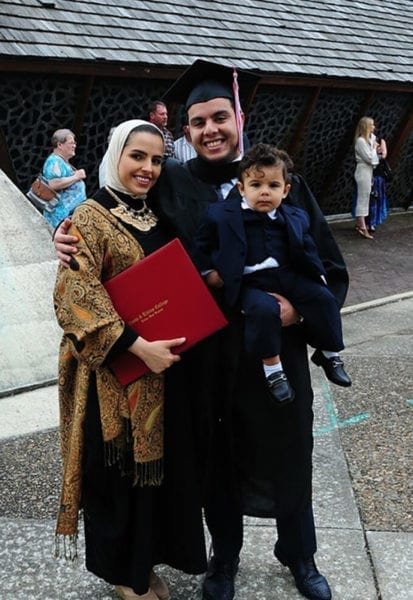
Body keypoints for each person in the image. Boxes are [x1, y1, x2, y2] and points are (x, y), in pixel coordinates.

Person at [53, 59, 349, 600]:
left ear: (238, 117)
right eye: (197, 122)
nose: (210, 129)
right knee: (218, 460)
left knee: (289, 452)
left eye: (220, 117)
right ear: (185, 131)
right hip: (208, 358)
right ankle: (224, 562)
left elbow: (330, 267)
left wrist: (299, 313)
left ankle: (300, 554)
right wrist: (68, 239)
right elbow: (128, 230)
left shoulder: (285, 182)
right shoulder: (173, 187)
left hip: (273, 349)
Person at [53, 119, 207, 600]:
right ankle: (125, 574)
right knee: (116, 477)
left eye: (157, 159)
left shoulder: (157, 211)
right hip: (113, 378)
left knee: (156, 481)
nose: (148, 168)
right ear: (116, 154)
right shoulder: (89, 218)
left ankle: (146, 565)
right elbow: (74, 296)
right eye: (137, 156)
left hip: (165, 374)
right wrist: (138, 348)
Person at [192, 143, 351, 405]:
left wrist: (318, 276)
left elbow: (308, 247)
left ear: (286, 190)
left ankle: (329, 352)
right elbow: (201, 247)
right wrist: (208, 273)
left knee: (323, 298)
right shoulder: (220, 215)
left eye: (273, 186)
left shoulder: (295, 215)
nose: (264, 192)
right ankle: (273, 370)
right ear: (242, 188)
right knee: (264, 310)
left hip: (288, 276)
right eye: (256, 185)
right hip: (250, 282)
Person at [41, 129, 87, 228]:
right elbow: (54, 183)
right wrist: (76, 176)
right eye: (71, 143)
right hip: (59, 218)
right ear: (60, 145)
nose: (74, 146)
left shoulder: (61, 162)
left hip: (66, 217)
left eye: (75, 143)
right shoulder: (54, 161)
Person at [353, 116, 379, 239]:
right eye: (372, 125)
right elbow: (370, 159)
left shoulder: (367, 141)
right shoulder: (361, 141)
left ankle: (361, 224)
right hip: (363, 171)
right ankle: (362, 227)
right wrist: (374, 150)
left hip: (368, 171)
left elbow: (374, 159)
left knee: (366, 197)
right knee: (363, 198)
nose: (374, 127)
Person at [367, 132, 389, 234]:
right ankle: (364, 222)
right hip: (368, 173)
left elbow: (383, 155)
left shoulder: (380, 141)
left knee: (376, 199)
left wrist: (375, 151)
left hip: (378, 175)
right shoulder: (364, 141)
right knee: (367, 200)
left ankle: (372, 223)